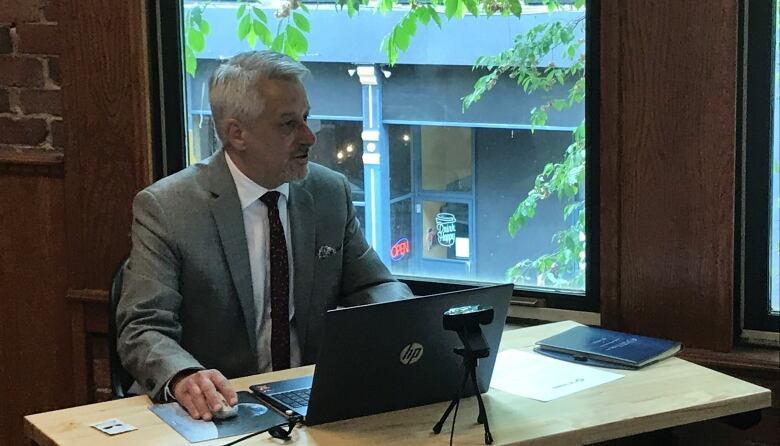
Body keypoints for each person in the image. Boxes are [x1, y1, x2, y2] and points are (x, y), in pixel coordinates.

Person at [116, 50, 413, 421]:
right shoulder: (168, 208)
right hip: (216, 405)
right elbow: (143, 326)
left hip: (306, 400)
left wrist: (406, 320)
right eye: (288, 124)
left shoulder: (329, 193)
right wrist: (184, 375)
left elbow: (375, 284)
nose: (310, 136)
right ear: (236, 134)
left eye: (306, 118)